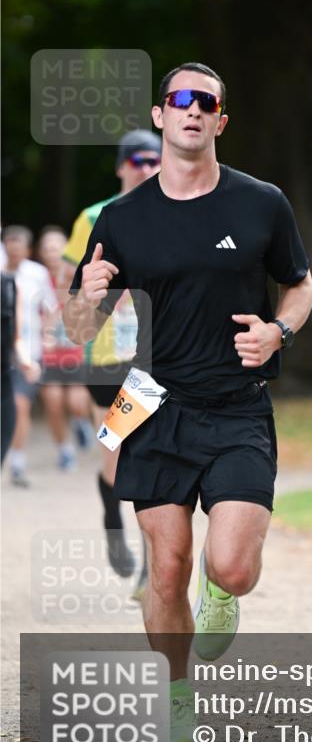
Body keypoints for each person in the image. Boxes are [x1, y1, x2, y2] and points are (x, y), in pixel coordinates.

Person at [63, 61, 312, 742]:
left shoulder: (261, 202)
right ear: (160, 115)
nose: (192, 110)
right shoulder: (119, 220)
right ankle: (176, 700)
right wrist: (85, 294)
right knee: (166, 563)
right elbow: (80, 332)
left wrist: (279, 330)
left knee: (230, 565)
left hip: (238, 404)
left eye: (206, 102)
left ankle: (224, 592)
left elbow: (299, 285)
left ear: (220, 121)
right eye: (180, 100)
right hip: (152, 400)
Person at [62, 130, 163, 586]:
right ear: (122, 166)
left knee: (150, 457)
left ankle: (150, 565)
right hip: (106, 356)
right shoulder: (93, 217)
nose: (146, 168)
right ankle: (111, 519)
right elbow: (71, 283)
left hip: (155, 356)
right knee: (116, 456)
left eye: (154, 160)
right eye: (138, 160)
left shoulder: (174, 212)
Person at [2, 225, 58, 486]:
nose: (12, 251)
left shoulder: (36, 275)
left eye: (17, 246)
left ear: (26, 249)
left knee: (20, 405)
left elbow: (50, 309)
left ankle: (17, 463)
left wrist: (47, 337)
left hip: (26, 350)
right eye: (8, 245)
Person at [37, 226, 94, 464]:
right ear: (41, 252)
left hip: (75, 351)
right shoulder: (36, 277)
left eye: (56, 247)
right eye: (47, 248)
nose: (52, 253)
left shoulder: (77, 275)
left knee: (76, 403)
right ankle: (64, 449)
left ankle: (81, 423)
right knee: (53, 403)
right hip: (47, 353)